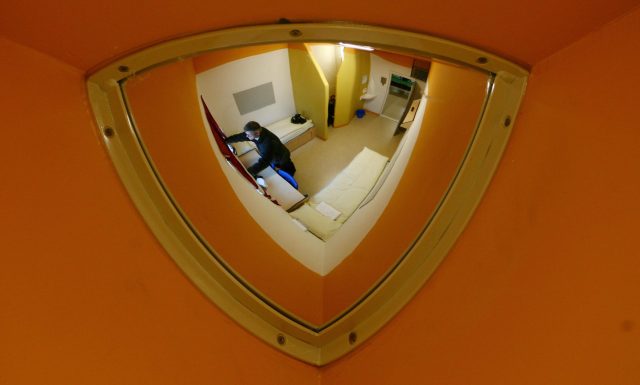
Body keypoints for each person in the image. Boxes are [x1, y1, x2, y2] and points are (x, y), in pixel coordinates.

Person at [225, 121, 296, 178]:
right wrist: (226, 141)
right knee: (276, 164)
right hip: (273, 154)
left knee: (287, 166)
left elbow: (264, 161)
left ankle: (291, 172)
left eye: (248, 135)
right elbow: (240, 137)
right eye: (246, 134)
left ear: (257, 133)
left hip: (281, 156)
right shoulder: (254, 133)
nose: (246, 136)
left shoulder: (268, 142)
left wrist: (248, 172)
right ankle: (279, 166)